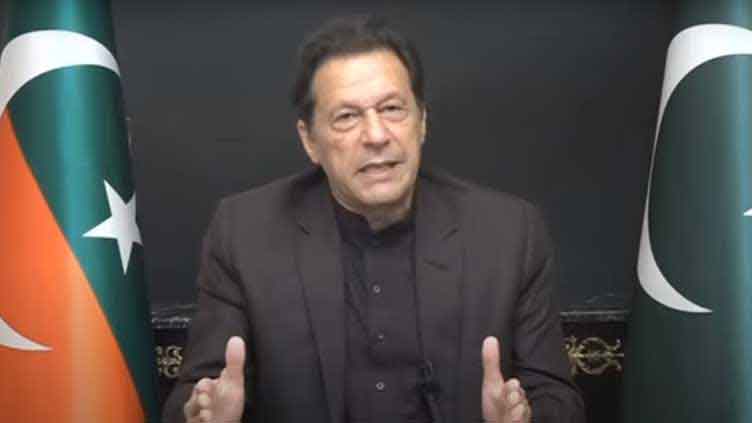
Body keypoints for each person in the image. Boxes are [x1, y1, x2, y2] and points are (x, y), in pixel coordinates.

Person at [162, 15, 584, 423]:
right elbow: (194, 395)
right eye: (347, 117)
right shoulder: (245, 233)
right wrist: (202, 416)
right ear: (310, 141)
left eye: (393, 109)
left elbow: (557, 397)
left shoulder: (507, 233)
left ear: (422, 122)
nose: (377, 135)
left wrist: (527, 418)